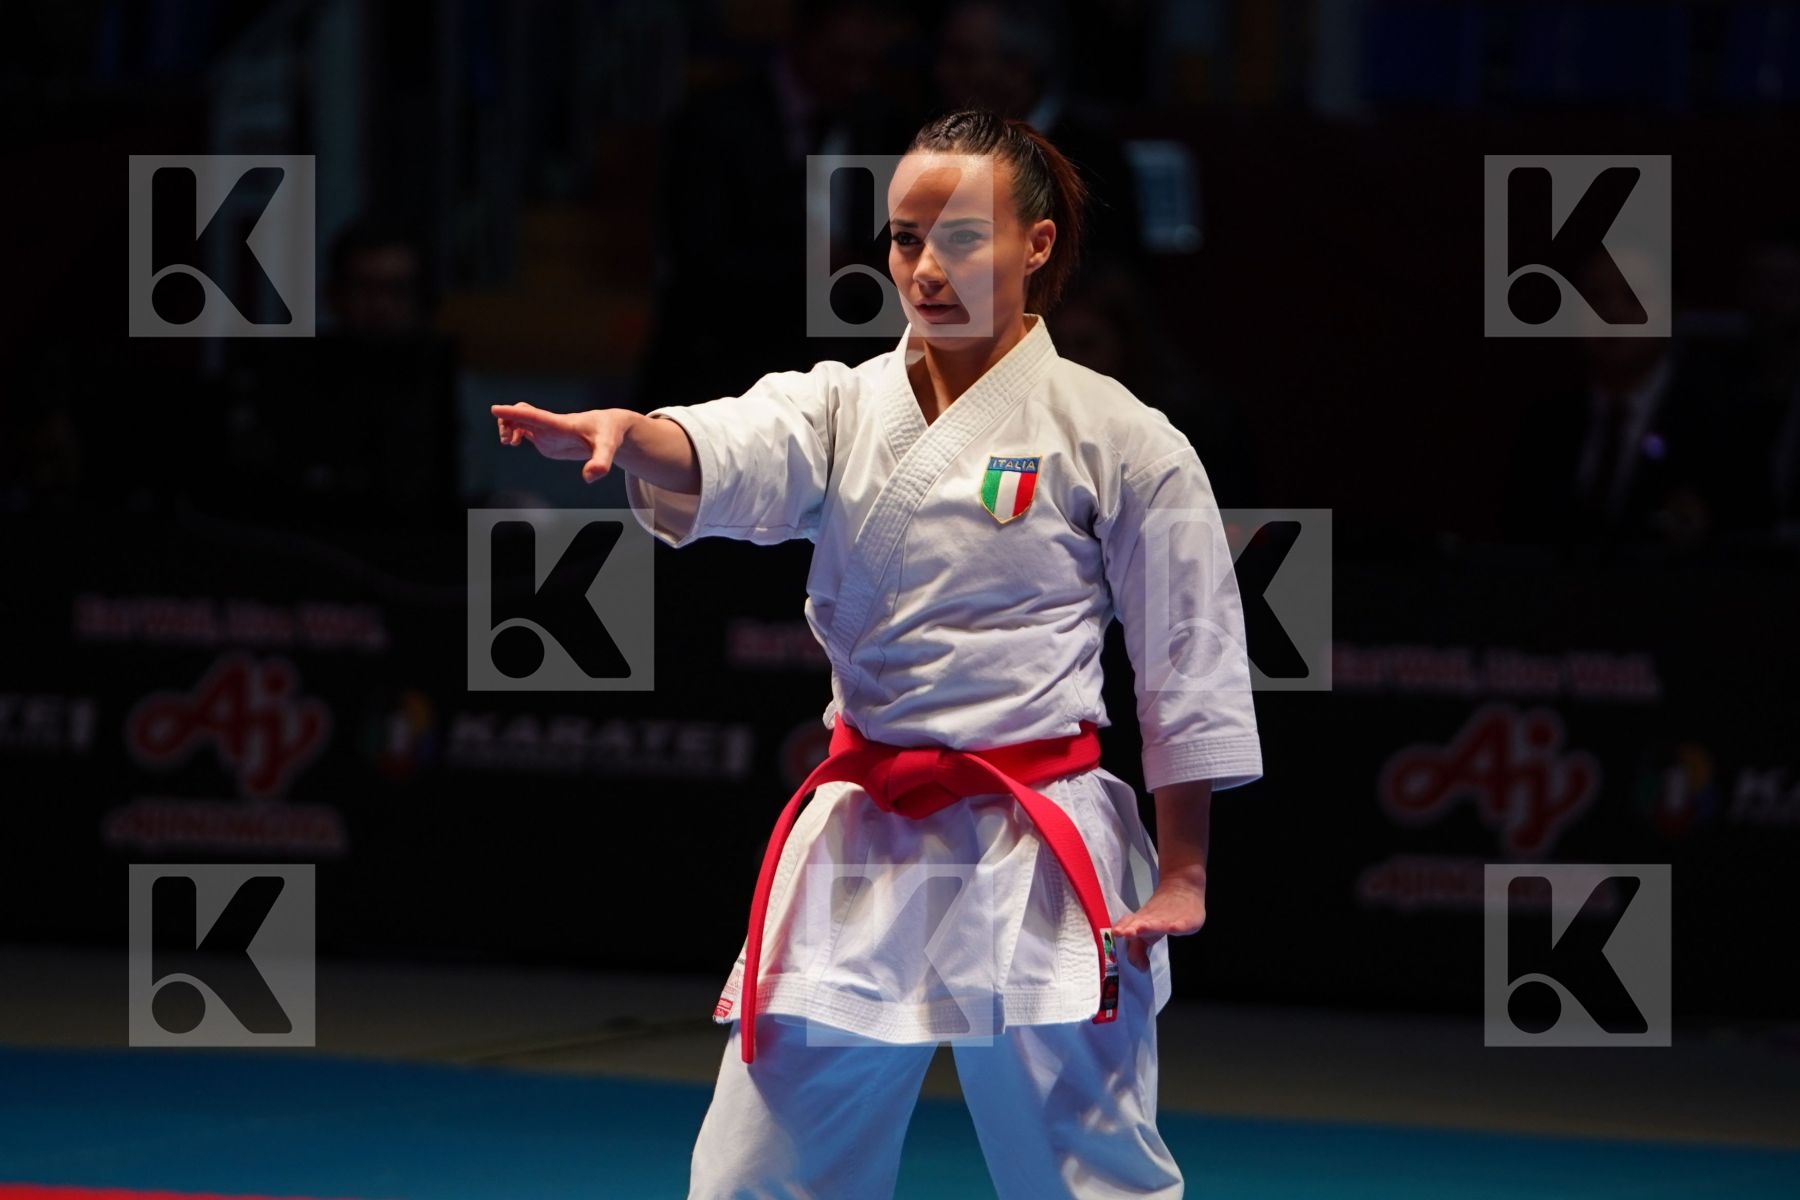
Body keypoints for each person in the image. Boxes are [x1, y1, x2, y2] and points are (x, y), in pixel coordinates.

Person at [494, 109, 1262, 1200]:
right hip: (865, 832)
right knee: (751, 1177)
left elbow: (1190, 651)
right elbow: (734, 442)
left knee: (1089, 1181)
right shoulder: (844, 403)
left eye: (960, 236)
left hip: (1036, 847)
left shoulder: (1122, 435)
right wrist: (636, 426)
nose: (926, 267)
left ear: (1037, 247)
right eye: (906, 238)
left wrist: (1183, 870)